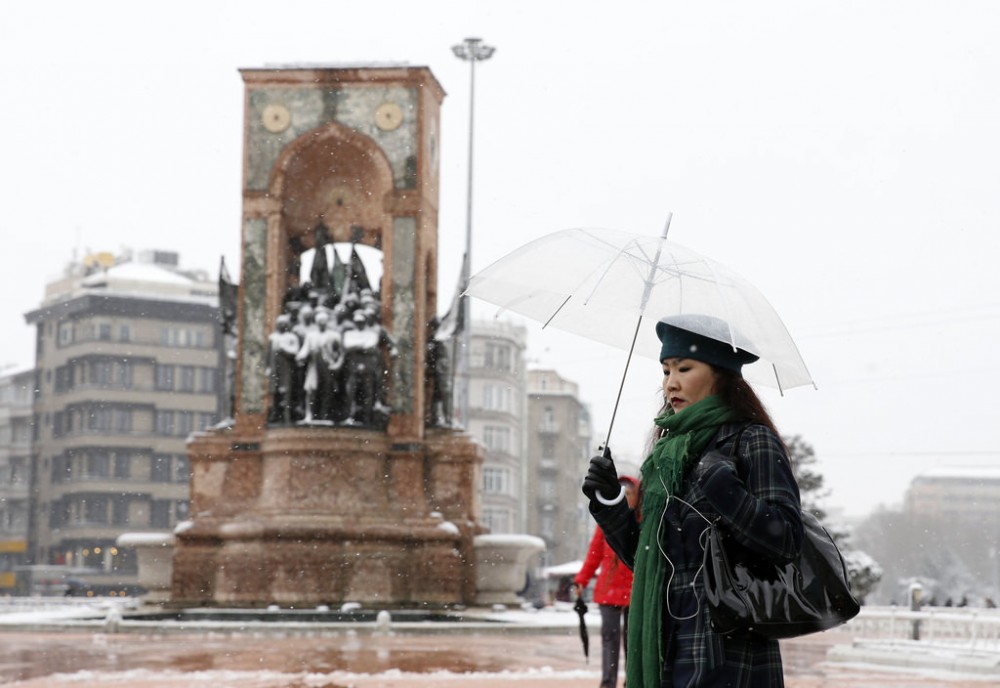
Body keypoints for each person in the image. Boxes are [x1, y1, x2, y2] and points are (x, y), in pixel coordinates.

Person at [582, 314, 804, 687]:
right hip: (665, 635)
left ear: (720, 375)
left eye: (684, 368)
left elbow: (785, 540)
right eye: (666, 370)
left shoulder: (752, 440)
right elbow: (647, 556)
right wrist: (610, 503)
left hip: (727, 641)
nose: (672, 382)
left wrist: (726, 491)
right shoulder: (666, 454)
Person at [574, 475, 639, 688]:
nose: (624, 498)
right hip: (609, 590)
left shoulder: (643, 521)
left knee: (633, 642)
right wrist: (581, 580)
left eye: (628, 494)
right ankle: (607, 683)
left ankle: (632, 681)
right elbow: (593, 555)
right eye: (620, 494)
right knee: (610, 641)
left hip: (634, 592)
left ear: (637, 497)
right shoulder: (607, 524)